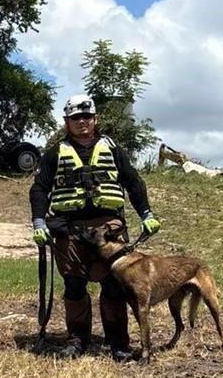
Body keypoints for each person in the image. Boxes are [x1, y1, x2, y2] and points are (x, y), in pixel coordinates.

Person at [30, 93, 161, 361]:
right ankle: (77, 339)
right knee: (74, 285)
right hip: (69, 228)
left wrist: (146, 213)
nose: (82, 122)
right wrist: (39, 220)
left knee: (114, 286)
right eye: (75, 118)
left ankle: (118, 343)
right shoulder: (54, 154)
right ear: (67, 122)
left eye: (86, 117)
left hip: (109, 227)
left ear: (95, 119)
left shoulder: (114, 150)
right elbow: (40, 189)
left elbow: (134, 183)